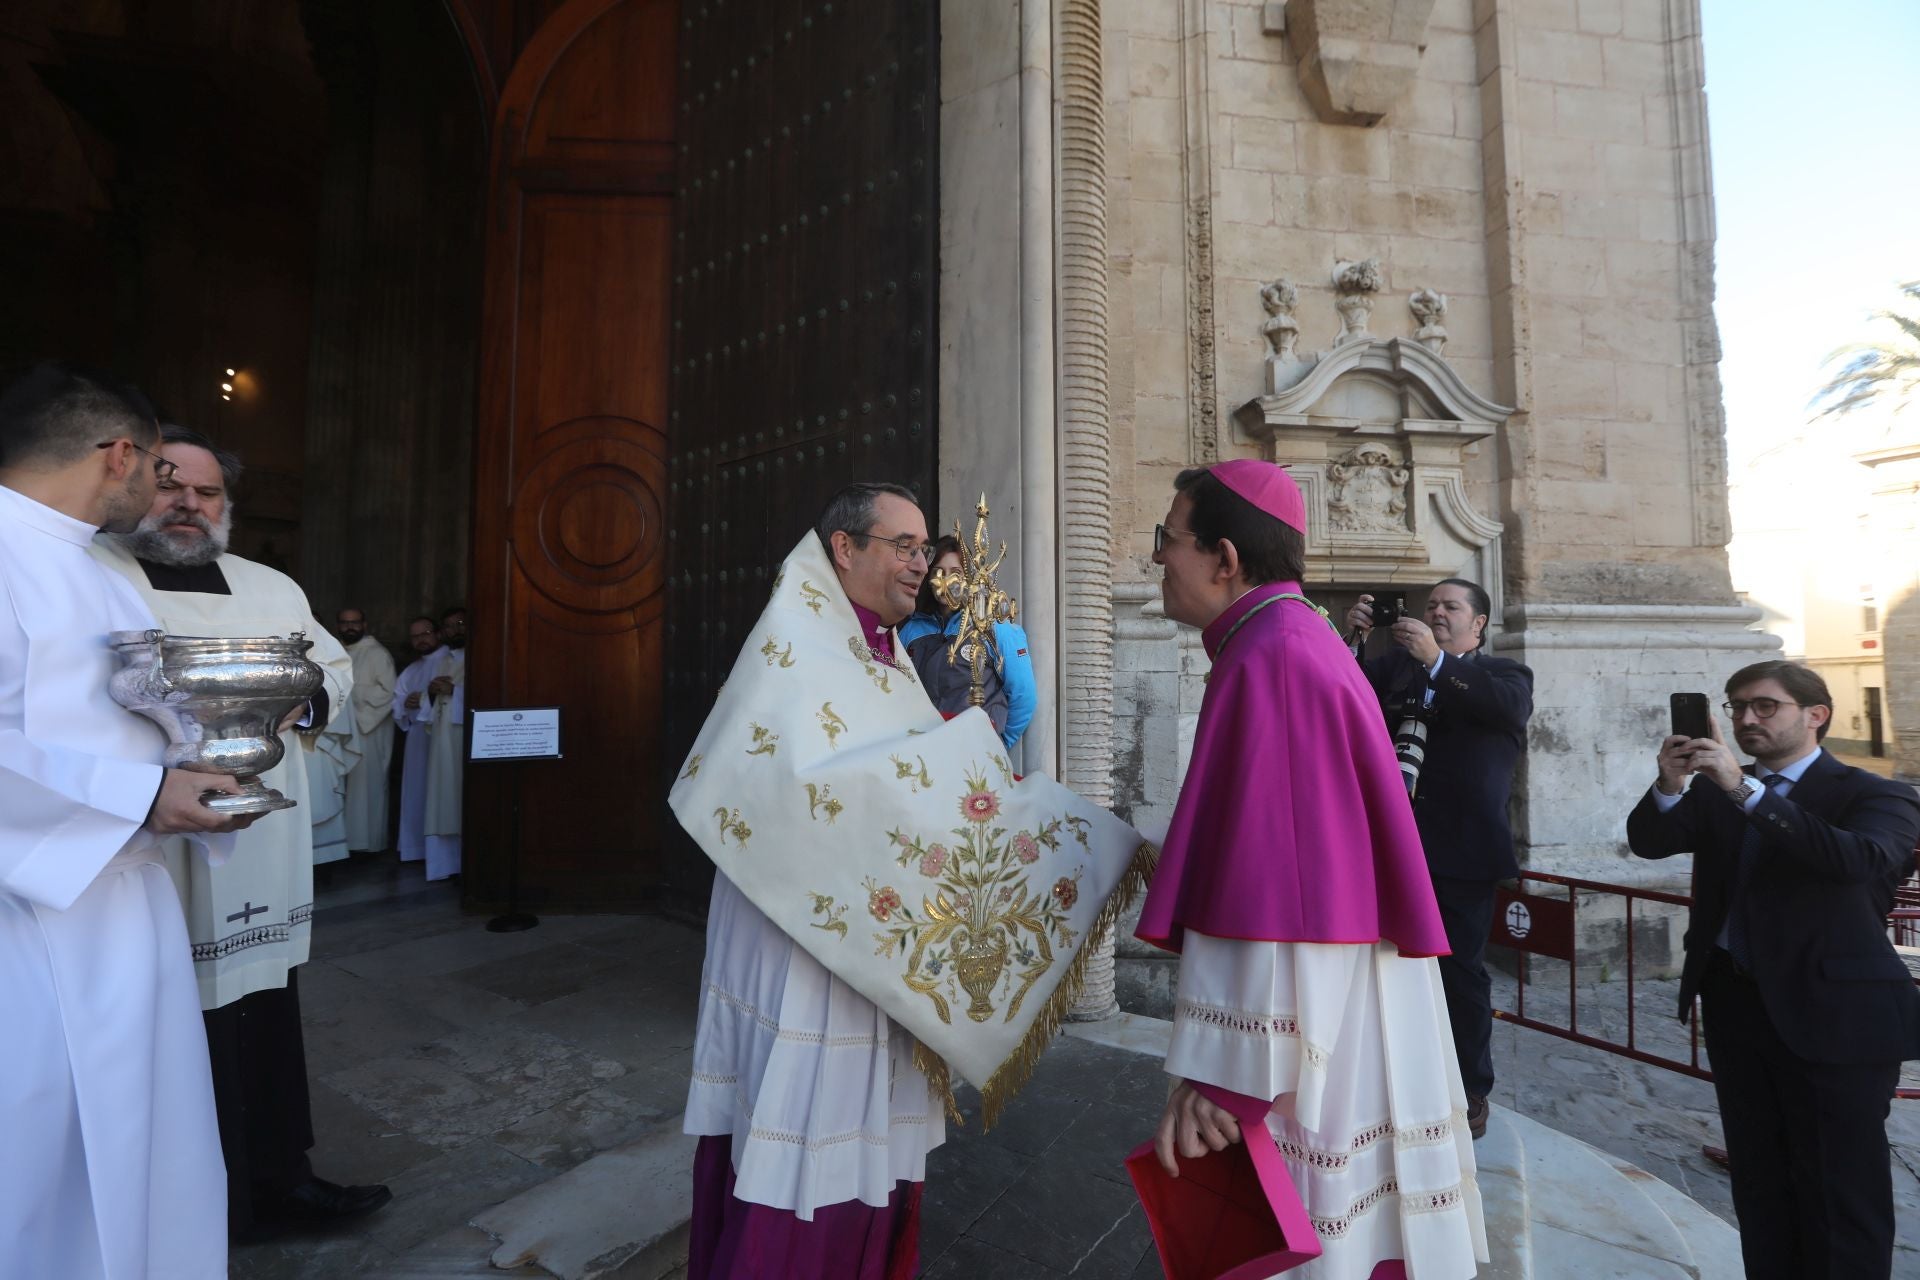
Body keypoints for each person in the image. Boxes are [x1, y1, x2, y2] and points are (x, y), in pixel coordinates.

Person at [671, 481, 1150, 1280]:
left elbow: (910, 783)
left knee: (859, 1121)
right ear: (843, 550)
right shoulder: (794, 643)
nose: (921, 563)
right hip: (796, 932)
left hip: (847, 932)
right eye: (903, 545)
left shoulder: (884, 654)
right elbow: (814, 789)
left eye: (925, 548)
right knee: (806, 1123)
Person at [1139, 460, 1486, 1279]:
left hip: (1316, 1020)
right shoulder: (1288, 639)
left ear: (1224, 557)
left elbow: (1282, 884)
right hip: (1328, 995)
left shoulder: (1275, 655)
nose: (1159, 559)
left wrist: (1231, 1080)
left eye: (1170, 540)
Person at [89, 424, 390, 1238]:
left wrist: (308, 700)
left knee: (265, 1009)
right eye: (170, 484)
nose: (188, 503)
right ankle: (183, 1208)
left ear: (227, 504)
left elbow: (330, 668)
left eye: (208, 491)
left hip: (263, 840)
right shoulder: (93, 574)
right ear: (133, 486)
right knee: (172, 1020)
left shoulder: (271, 585)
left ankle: (280, 1181)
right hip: (154, 844)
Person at [0, 364, 248, 1277]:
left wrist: (198, 766)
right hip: (28, 925)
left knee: (148, 1142)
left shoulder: (90, 568)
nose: (163, 487)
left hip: (124, 901)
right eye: (155, 466)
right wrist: (143, 796)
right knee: (43, 1164)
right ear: (118, 457)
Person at [1627, 660, 1920, 1280]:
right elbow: (1650, 841)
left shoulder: (1876, 793)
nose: (1745, 719)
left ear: (1816, 716)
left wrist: (1745, 790)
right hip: (1738, 1007)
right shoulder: (1716, 789)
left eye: (1765, 706)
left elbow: (1855, 860)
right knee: (1759, 1180)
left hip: (1836, 1016)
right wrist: (1669, 783)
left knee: (1840, 1191)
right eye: (1735, 708)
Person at [1343, 579, 1533, 1139]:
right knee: (1382, 963)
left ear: (1479, 625)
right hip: (1390, 844)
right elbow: (1340, 689)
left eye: (1451, 607)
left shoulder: (1504, 676)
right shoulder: (1396, 670)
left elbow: (1500, 708)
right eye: (1432, 606)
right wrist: (1352, 640)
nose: (1437, 613)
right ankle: (1395, 1074)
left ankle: (1470, 1088)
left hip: (1462, 854)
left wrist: (1435, 662)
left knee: (1460, 973)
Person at [897, 533, 1037, 750]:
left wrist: (999, 744)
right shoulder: (911, 630)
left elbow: (1023, 695)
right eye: (939, 572)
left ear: (969, 578)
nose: (947, 581)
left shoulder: (994, 627)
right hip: (926, 751)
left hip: (977, 754)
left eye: (956, 573)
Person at [338, 607, 398, 854]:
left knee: (366, 788)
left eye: (355, 622)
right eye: (345, 622)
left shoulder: (378, 654)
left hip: (367, 730)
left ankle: (367, 845)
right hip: (341, 730)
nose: (350, 627)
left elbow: (389, 693)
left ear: (364, 624)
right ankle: (345, 843)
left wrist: (353, 698)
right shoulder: (337, 652)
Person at [419, 606, 466, 879]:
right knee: (441, 797)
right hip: (441, 737)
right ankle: (445, 866)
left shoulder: (484, 655)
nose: (455, 629)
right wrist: (432, 691)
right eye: (449, 626)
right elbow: (430, 700)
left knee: (458, 796)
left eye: (460, 623)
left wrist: (455, 691)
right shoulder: (443, 659)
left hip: (462, 738)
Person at [392, 614, 443, 869]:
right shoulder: (412, 670)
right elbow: (397, 700)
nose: (421, 640)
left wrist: (421, 701)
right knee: (415, 792)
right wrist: (405, 703)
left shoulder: (450, 660)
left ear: (437, 633)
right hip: (417, 739)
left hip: (442, 737)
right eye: (415, 636)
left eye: (425, 633)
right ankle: (415, 848)